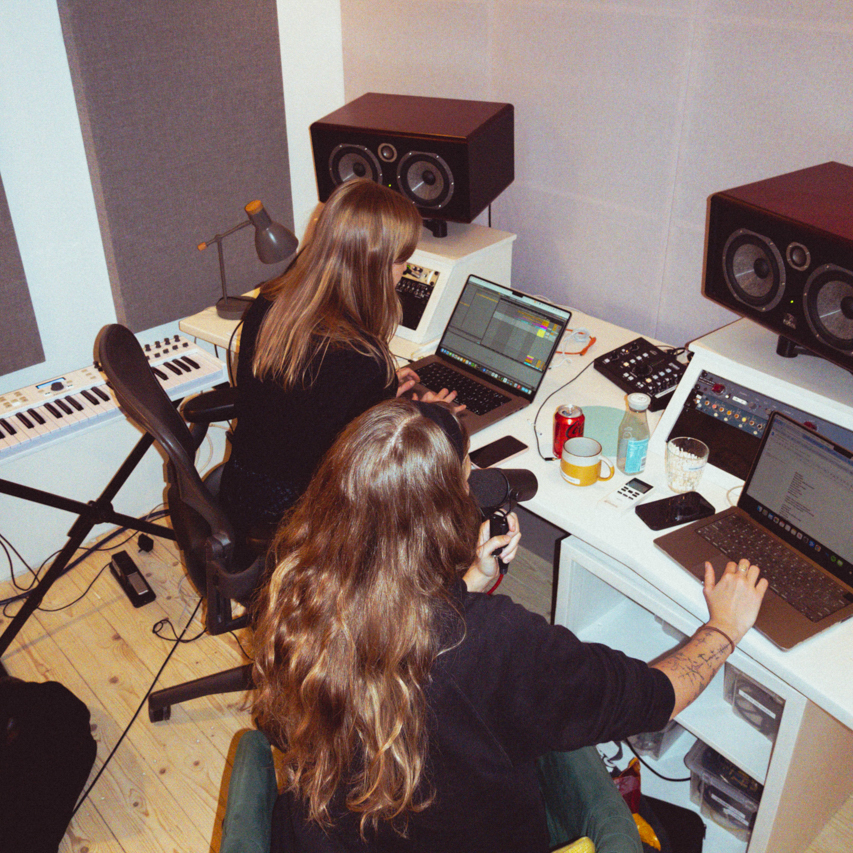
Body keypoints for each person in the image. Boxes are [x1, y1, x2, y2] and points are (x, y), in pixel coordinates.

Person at [251, 399, 767, 853]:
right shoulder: (492, 640)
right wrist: (724, 628)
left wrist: (468, 582)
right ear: (447, 512)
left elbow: (395, 629)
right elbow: (654, 698)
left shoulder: (298, 588)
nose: (475, 476)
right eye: (466, 471)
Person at [220, 179, 460, 543]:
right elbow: (374, 468)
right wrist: (433, 418)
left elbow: (305, 400)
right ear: (373, 266)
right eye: (401, 261)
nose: (404, 271)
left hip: (245, 491)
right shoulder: (362, 359)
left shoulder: (270, 304)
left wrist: (381, 393)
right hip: (306, 521)